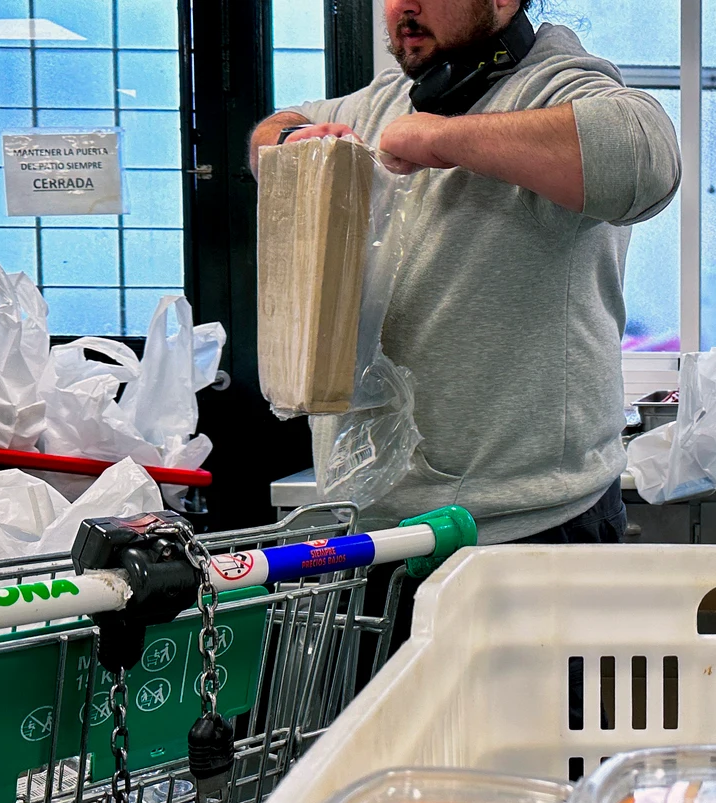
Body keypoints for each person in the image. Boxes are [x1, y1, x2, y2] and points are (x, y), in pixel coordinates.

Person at [250, 0, 681, 546]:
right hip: (372, 530)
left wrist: (440, 140)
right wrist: (289, 143)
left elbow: (646, 155)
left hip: (528, 527)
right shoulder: (384, 102)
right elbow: (273, 128)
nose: (403, 7)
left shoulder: (557, 86)